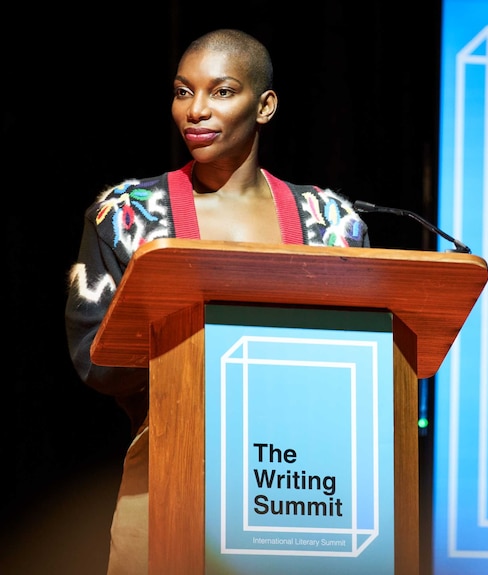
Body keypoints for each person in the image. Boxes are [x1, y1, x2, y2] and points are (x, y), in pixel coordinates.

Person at [65, 29, 369, 574]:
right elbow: (96, 356)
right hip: (173, 472)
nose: (196, 111)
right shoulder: (130, 214)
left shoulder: (331, 224)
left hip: (306, 481)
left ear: (265, 105)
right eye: (184, 92)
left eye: (221, 91)